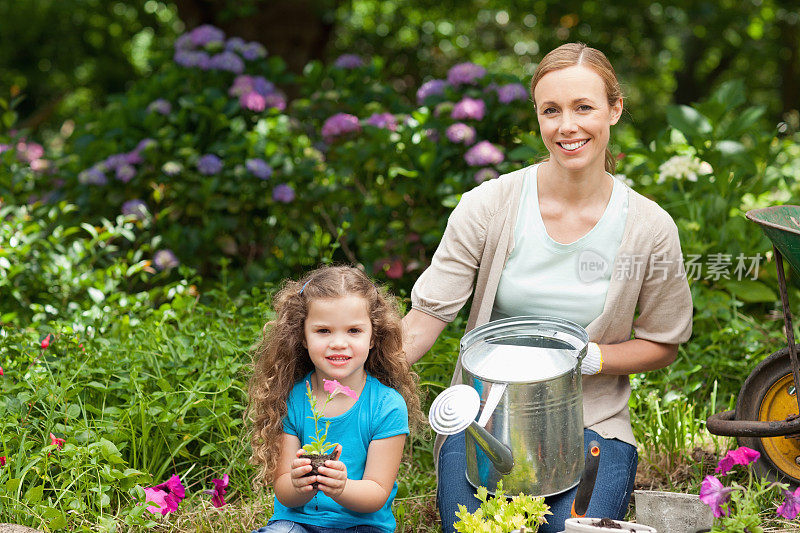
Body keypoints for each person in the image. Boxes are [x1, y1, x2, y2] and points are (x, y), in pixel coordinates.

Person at [402, 43, 693, 533]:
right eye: (551, 110)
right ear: (537, 116)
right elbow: (424, 321)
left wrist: (589, 357)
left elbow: (664, 343)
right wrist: (347, 381)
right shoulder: (488, 206)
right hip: (487, 420)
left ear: (614, 109)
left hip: (591, 422)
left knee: (569, 530)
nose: (567, 126)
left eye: (584, 107)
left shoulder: (649, 226)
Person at [248, 265, 424, 533]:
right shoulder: (293, 398)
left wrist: (342, 487)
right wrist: (299, 484)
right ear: (303, 337)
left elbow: (376, 492)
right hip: (297, 523)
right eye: (323, 331)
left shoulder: (386, 406)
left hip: (362, 525)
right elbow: (284, 490)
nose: (338, 343)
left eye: (354, 330)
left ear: (373, 336)